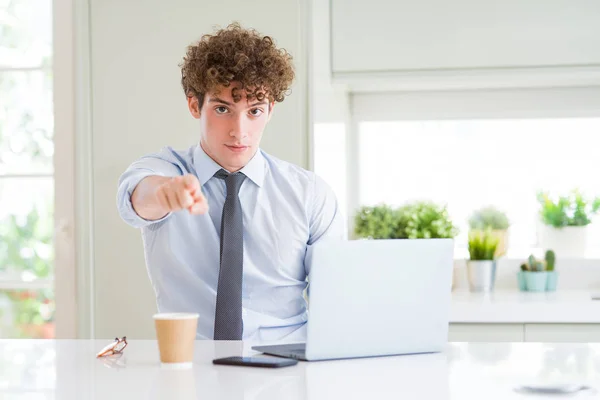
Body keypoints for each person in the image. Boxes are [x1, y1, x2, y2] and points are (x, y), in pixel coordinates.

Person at [116, 23, 345, 342]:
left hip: (288, 365)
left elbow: (336, 301)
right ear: (195, 105)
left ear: (270, 110)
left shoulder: (310, 194)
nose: (240, 130)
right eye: (223, 108)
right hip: (192, 363)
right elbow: (138, 197)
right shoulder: (166, 169)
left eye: (254, 111)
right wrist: (167, 194)